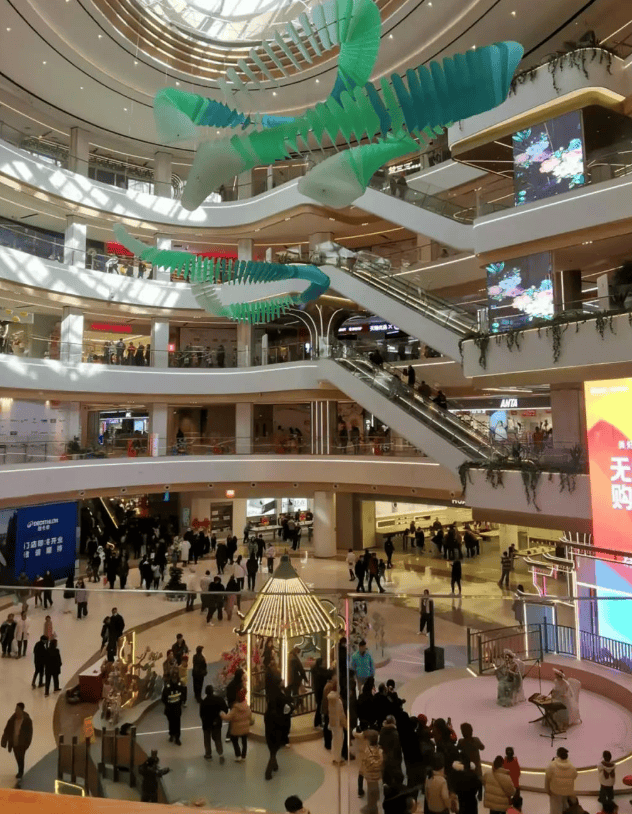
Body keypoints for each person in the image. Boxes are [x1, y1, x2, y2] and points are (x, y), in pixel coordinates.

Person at [1, 703, 33, 780]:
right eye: (16, 709)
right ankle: (20, 769)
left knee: (21, 757)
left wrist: (27, 743)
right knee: (17, 757)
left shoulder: (27, 720)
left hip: (22, 743)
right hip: (14, 742)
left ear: (21, 710)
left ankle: (20, 771)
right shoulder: (12, 719)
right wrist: (4, 741)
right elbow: (7, 730)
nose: (16, 711)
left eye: (17, 709)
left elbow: (29, 733)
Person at [221, 687, 252, 762]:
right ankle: (243, 756)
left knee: (234, 741)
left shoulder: (235, 708)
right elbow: (250, 716)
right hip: (245, 728)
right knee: (244, 742)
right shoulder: (247, 707)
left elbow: (228, 717)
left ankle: (238, 755)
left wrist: (222, 714)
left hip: (236, 729)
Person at [545, 747, 577, 814]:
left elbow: (547, 779)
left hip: (555, 792)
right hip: (567, 791)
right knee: (565, 807)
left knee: (555, 809)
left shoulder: (552, 765)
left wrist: (548, 791)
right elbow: (575, 776)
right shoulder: (572, 766)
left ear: (557, 755)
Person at [200, 684, 227, 761]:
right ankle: (220, 754)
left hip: (207, 724)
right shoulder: (219, 699)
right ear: (213, 691)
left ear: (206, 692)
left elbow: (201, 714)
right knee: (217, 738)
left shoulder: (204, 702)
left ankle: (208, 754)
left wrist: (204, 721)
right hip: (217, 723)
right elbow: (225, 709)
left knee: (207, 740)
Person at [359, 729, 383, 814]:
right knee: (374, 790)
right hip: (376, 775)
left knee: (371, 792)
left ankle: (372, 808)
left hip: (370, 776)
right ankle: (372, 806)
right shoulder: (379, 749)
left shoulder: (368, 751)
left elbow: (369, 763)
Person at [379, 714, 403, 789]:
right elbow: (397, 747)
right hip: (394, 756)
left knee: (386, 770)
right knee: (395, 773)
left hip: (385, 754)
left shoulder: (382, 730)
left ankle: (385, 784)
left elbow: (380, 743)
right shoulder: (395, 733)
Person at [162, 678, 183, 745]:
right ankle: (173, 735)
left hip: (173, 709)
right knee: (173, 723)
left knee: (175, 723)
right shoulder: (169, 687)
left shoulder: (178, 687)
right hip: (172, 709)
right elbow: (163, 698)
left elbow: (163, 699)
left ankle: (176, 737)